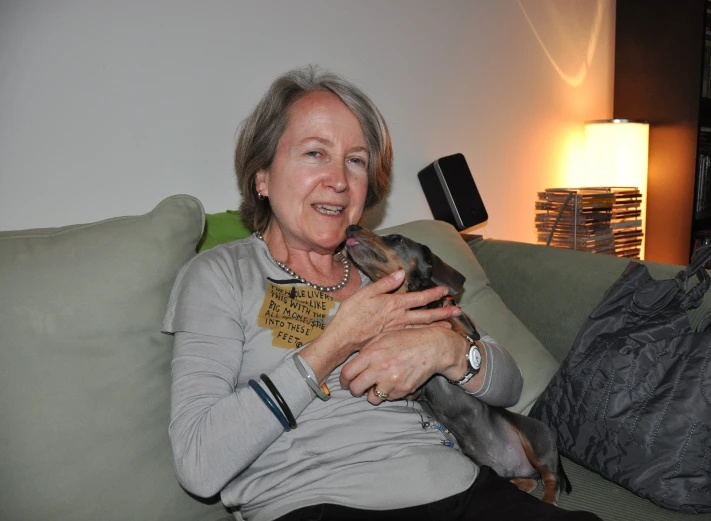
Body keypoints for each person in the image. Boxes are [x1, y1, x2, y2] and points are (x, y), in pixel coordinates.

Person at [163, 65, 602, 521]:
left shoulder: (385, 267)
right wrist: (337, 340)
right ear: (262, 177)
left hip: (464, 490)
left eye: (356, 161)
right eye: (315, 153)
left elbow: (508, 385)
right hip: (317, 503)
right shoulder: (220, 274)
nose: (339, 179)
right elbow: (198, 463)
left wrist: (447, 350)